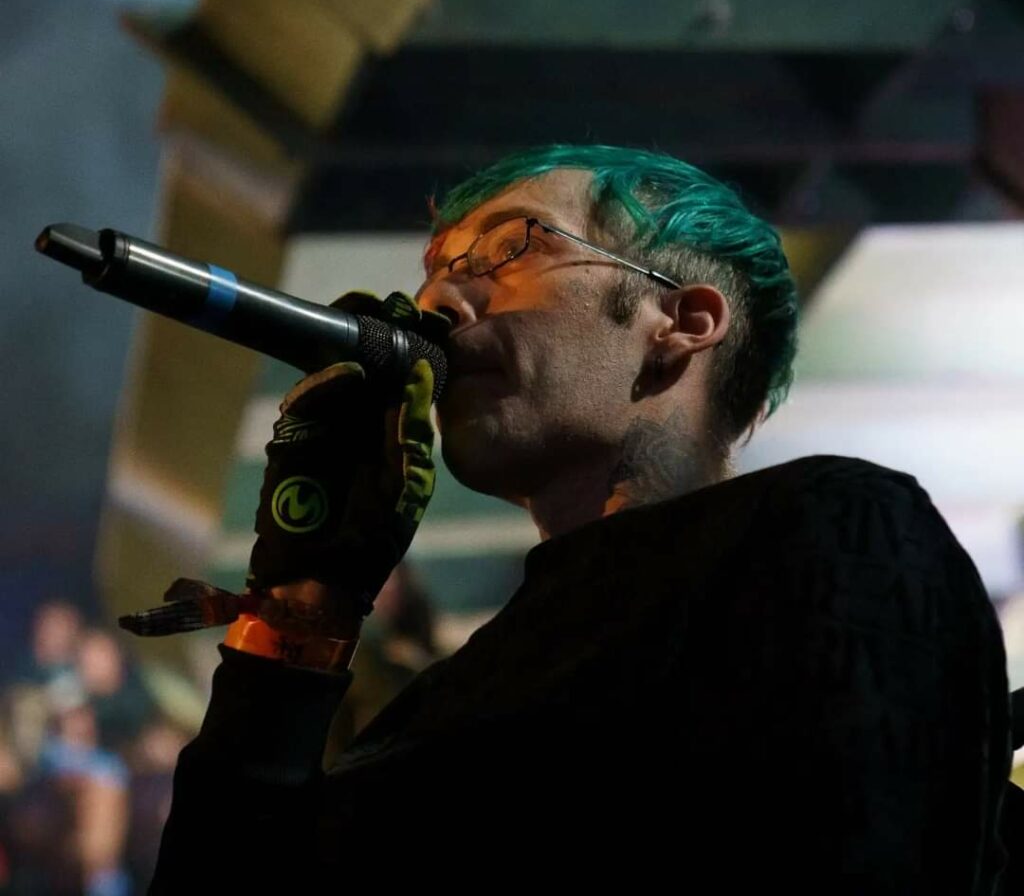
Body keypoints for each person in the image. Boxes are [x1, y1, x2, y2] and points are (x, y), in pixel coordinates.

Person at [145, 145, 1012, 892]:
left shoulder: (832, 526)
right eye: (435, 276)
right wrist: (307, 602)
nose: (436, 307)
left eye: (506, 247)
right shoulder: (452, 694)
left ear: (682, 319)